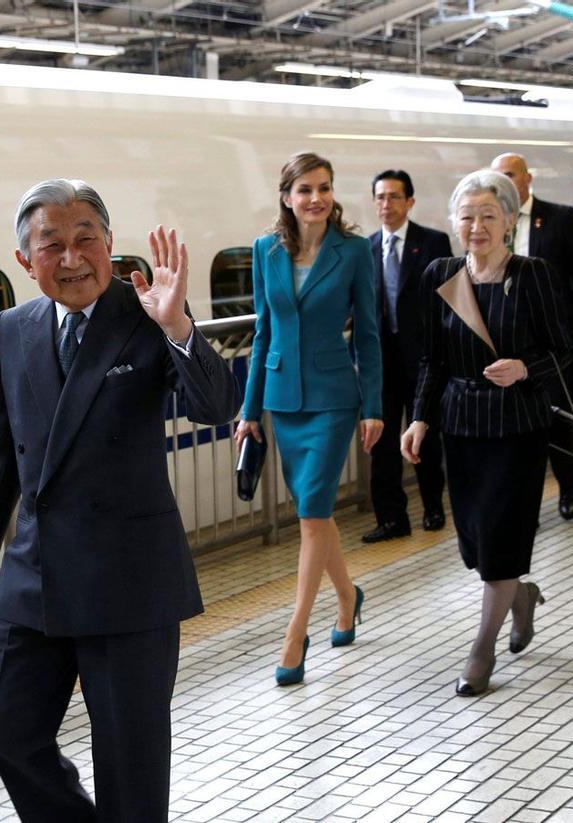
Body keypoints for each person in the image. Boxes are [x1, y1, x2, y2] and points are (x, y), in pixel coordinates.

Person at [0, 179, 237, 821]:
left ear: (111, 246)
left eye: (88, 239)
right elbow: (3, 452)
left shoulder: (145, 315)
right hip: (36, 575)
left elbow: (216, 407)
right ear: (26, 261)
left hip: (128, 579)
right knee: (5, 729)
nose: (73, 258)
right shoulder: (12, 328)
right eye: (52, 245)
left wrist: (178, 327)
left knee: (129, 765)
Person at [401, 170, 571, 696]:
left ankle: (482, 651)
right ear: (454, 221)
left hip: (518, 427)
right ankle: (520, 595)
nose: (476, 226)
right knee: (474, 544)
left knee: (500, 539)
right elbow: (432, 357)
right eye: (467, 216)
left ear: (510, 222)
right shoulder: (443, 273)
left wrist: (525, 369)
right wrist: (421, 418)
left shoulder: (533, 273)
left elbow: (562, 350)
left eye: (488, 216)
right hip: (463, 424)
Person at [234, 152, 383, 686]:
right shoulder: (265, 249)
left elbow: (367, 333)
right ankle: (347, 596)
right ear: (287, 196)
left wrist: (375, 406)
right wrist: (249, 410)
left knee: (312, 512)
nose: (316, 198)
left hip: (333, 397)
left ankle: (295, 634)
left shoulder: (354, 250)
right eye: (305, 190)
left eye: (324, 188)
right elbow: (264, 332)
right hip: (281, 397)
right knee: (314, 515)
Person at [491, 153, 573, 521]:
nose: (502, 183)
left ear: (527, 178)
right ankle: (528, 505)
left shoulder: (559, 218)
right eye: (496, 178)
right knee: (520, 428)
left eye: (509, 175)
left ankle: (569, 487)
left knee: (556, 414)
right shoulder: (491, 222)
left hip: (551, 341)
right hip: (507, 342)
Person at [363, 170, 453, 543]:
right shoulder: (365, 249)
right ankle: (391, 518)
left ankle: (433, 506)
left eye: (394, 197)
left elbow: (449, 300)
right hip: (381, 363)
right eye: (380, 197)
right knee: (381, 442)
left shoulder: (432, 243)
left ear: (410, 201)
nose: (387, 205)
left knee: (426, 436)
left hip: (423, 359)